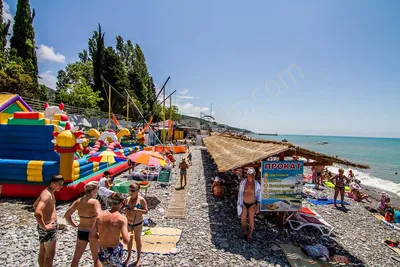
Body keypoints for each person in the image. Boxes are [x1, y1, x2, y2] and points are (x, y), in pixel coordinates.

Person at [64, 181, 102, 267]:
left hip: (81, 230)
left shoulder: (78, 201)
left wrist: (74, 224)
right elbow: (99, 216)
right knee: (96, 258)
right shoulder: (94, 202)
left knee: (76, 258)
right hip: (92, 231)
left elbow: (66, 215)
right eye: (96, 190)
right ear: (93, 190)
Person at [89, 193, 131, 267]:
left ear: (111, 202)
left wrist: (101, 237)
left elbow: (91, 236)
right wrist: (129, 235)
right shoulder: (121, 219)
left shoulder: (100, 216)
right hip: (114, 249)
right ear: (122, 203)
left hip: (102, 249)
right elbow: (126, 240)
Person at [33, 174, 64, 267]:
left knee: (43, 251)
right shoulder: (47, 195)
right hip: (48, 228)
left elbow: (35, 205)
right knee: (50, 256)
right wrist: (45, 226)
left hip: (44, 227)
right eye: (60, 184)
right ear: (52, 183)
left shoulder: (47, 192)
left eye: (62, 184)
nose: (61, 186)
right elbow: (37, 212)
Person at [123, 183, 148, 266]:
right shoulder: (127, 199)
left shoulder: (141, 200)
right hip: (129, 223)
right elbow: (124, 208)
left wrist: (137, 210)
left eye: (132, 190)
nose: (130, 192)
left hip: (138, 223)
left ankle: (138, 258)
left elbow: (146, 211)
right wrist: (125, 210)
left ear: (137, 191)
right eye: (129, 190)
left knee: (137, 240)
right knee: (129, 240)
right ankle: (129, 256)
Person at [237, 168, 261, 242]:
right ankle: (244, 231)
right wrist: (239, 203)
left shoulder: (256, 184)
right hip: (244, 203)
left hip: (252, 204)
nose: (252, 176)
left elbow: (259, 196)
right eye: (250, 174)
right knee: (243, 218)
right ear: (247, 175)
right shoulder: (243, 183)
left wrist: (258, 207)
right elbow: (240, 194)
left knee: (251, 219)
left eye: (253, 174)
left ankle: (250, 234)